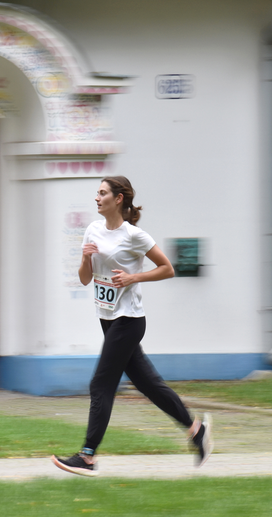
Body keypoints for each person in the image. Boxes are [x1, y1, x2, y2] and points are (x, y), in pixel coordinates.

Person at [51, 176, 213, 477]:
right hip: (108, 318)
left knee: (101, 384)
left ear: (118, 199)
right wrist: (86, 259)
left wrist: (132, 278)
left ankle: (87, 456)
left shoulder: (134, 236)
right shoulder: (92, 229)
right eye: (96, 193)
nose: (97, 198)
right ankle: (196, 430)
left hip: (129, 320)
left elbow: (167, 269)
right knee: (147, 383)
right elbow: (85, 279)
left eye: (102, 193)